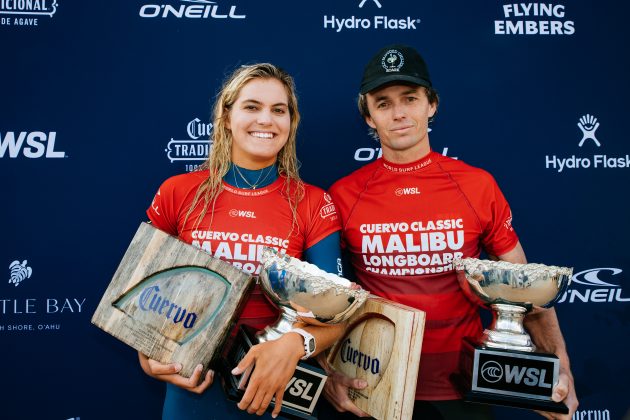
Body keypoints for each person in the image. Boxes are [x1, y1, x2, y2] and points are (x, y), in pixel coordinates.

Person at [323, 44, 579, 419]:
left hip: (463, 386)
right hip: (372, 386)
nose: (398, 114)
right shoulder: (343, 195)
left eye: (410, 99)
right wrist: (328, 372)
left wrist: (562, 368)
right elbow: (328, 301)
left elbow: (527, 290)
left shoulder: (476, 185)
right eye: (383, 103)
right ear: (369, 117)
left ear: (432, 105)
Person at [140, 63, 345, 419]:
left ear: (290, 123)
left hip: (275, 393)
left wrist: (294, 344)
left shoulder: (312, 202)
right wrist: (144, 350)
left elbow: (338, 313)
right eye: (252, 106)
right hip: (192, 390)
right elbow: (140, 288)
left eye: (278, 110)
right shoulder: (178, 191)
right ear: (226, 116)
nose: (266, 119)